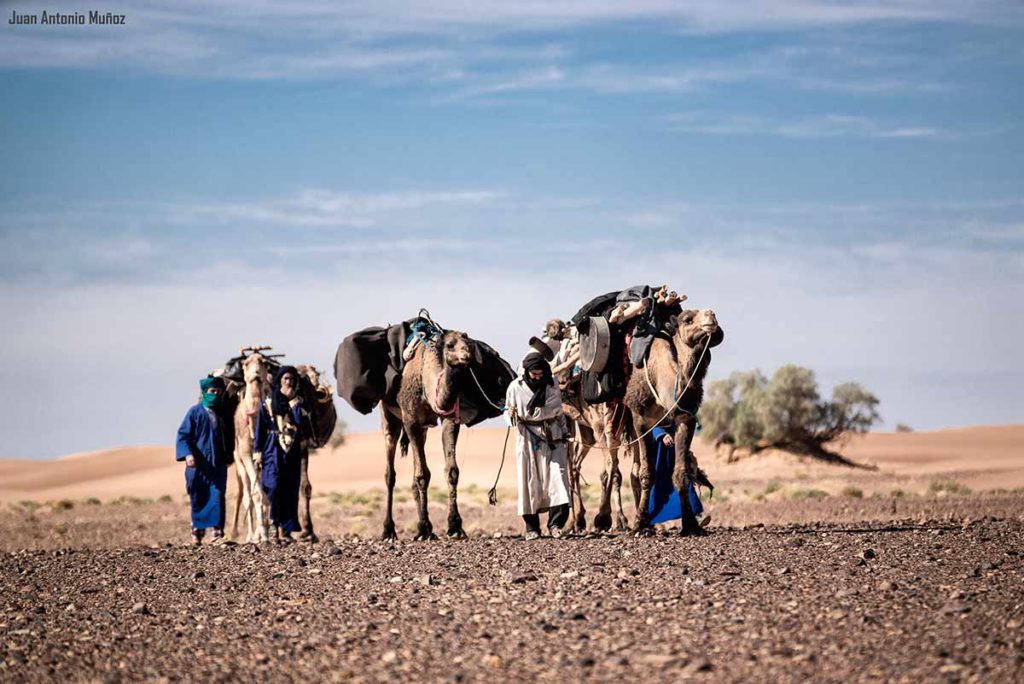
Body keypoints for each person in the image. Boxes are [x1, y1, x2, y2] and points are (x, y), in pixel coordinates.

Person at [505, 351, 571, 540]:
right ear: (527, 371)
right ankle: (532, 528)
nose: (537, 376)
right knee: (529, 482)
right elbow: (509, 413)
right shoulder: (515, 388)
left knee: (558, 480)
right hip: (527, 438)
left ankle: (556, 525)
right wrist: (512, 415)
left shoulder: (552, 385)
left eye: (540, 372)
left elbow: (556, 411)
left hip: (553, 436)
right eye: (534, 373)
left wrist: (565, 432)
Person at [255, 365, 309, 542]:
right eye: (286, 379)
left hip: (291, 452)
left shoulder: (299, 403)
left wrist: (293, 402)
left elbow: (300, 422)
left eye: (292, 379)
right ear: (279, 381)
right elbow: (261, 428)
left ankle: (285, 530)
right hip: (272, 449)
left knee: (290, 489)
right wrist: (258, 451)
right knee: (274, 486)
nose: (289, 382)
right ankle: (273, 523)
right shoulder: (269, 403)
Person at [175, 376, 232, 545]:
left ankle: (217, 533)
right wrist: (187, 455)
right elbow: (183, 435)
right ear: (205, 393)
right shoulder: (194, 412)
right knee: (198, 496)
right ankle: (197, 533)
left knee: (217, 495)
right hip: (198, 464)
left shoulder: (222, 414)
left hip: (217, 463)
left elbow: (229, 437)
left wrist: (228, 455)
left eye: (218, 392)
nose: (215, 394)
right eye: (212, 391)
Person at [646, 422, 711, 529]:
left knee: (684, 479)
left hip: (676, 445)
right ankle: (651, 521)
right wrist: (661, 434)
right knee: (658, 487)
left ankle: (695, 515)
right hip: (659, 453)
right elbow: (648, 422)